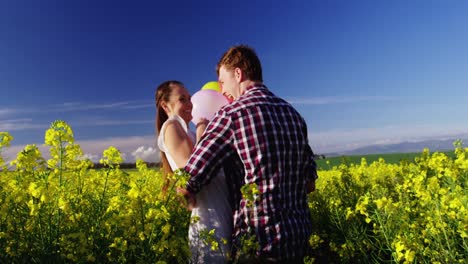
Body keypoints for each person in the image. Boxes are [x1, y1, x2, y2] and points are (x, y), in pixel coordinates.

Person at [179, 45, 318, 263]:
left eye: (222, 82)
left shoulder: (231, 114)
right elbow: (310, 184)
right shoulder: (294, 114)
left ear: (238, 73)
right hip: (298, 239)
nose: (221, 91)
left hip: (259, 244)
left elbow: (189, 179)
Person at [155, 80, 232, 263]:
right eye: (182, 99)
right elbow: (191, 169)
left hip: (218, 202)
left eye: (190, 98)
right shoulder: (171, 127)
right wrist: (202, 129)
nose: (191, 104)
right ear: (166, 105)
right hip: (209, 211)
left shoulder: (185, 130)